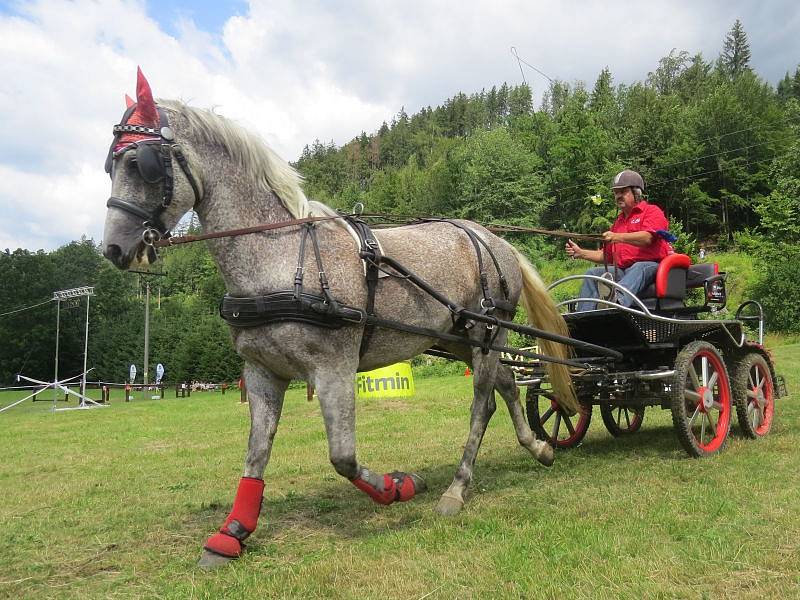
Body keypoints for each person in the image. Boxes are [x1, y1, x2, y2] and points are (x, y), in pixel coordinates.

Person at [565, 170, 672, 311]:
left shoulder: (652, 211)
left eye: (623, 191)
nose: (618, 196)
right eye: (616, 192)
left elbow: (647, 238)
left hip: (651, 267)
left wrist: (616, 237)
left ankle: (616, 302)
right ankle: (583, 316)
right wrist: (581, 253)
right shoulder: (618, 223)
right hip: (623, 271)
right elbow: (607, 256)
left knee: (638, 267)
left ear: (637, 192)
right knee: (592, 273)